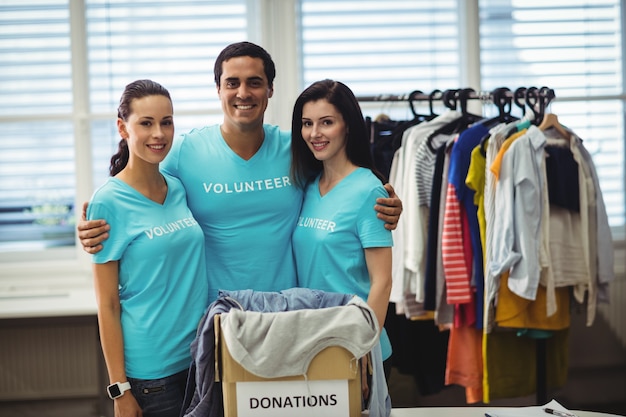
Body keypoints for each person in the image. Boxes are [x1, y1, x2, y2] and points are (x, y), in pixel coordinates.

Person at [77, 41, 402, 304]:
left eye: (254, 83)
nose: (243, 92)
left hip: (290, 311)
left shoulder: (298, 149)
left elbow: (346, 182)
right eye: (232, 83)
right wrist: (95, 214)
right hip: (217, 317)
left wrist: (387, 201)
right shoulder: (185, 152)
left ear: (270, 90)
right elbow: (137, 178)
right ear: (218, 89)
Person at [88, 80, 208, 417]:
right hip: (152, 375)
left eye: (166, 122)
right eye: (146, 123)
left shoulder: (178, 187)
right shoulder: (107, 202)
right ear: (123, 128)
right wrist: (119, 390)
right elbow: (108, 305)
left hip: (199, 360)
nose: (159, 133)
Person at [290, 79, 393, 384]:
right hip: (314, 344)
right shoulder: (306, 185)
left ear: (347, 125)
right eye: (307, 123)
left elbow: (383, 282)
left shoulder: (368, 189)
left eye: (326, 122)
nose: (314, 133)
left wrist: (363, 348)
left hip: (355, 347)